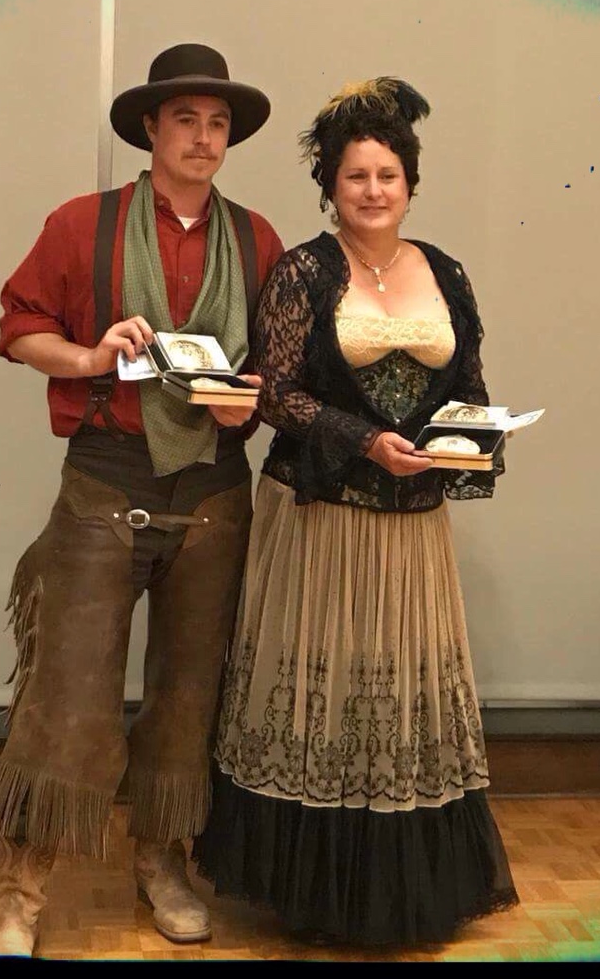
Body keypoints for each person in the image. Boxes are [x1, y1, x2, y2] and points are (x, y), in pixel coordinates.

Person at [193, 77, 520, 945]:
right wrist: (365, 440)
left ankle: (404, 892)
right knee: (327, 695)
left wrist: (471, 437)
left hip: (414, 526)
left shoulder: (445, 271)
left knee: (400, 699)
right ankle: (316, 895)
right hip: (322, 517)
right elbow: (274, 393)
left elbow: (470, 383)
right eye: (355, 177)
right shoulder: (304, 271)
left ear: (410, 182)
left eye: (387, 175)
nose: (373, 191)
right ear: (330, 187)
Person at [0, 43, 284, 956]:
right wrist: (88, 356)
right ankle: (17, 896)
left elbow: (279, 372)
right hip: (106, 481)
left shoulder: (257, 241)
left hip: (215, 493)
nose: (203, 137)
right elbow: (20, 325)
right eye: (185, 119)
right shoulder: (84, 224)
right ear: (151, 128)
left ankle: (162, 862)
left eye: (217, 123)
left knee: (188, 699)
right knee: (67, 699)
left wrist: (251, 400)